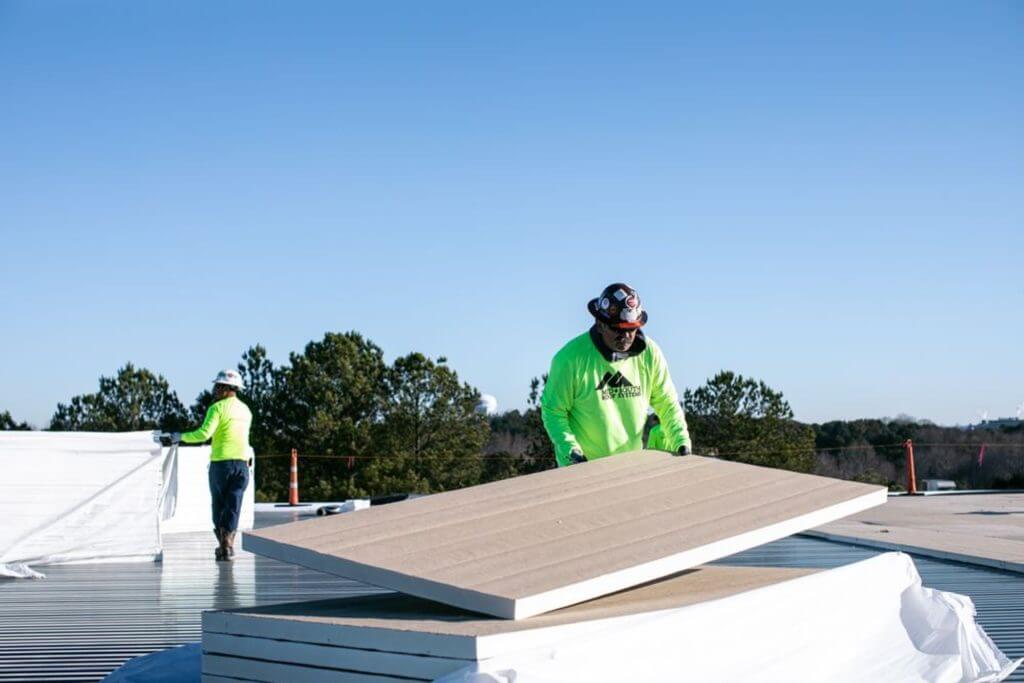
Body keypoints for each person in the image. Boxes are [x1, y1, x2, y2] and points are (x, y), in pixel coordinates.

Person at [541, 283, 691, 466]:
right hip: (583, 468)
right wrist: (570, 451)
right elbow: (553, 411)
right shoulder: (570, 359)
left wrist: (681, 441)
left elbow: (667, 403)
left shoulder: (650, 354)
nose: (626, 336)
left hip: (630, 465)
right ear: (600, 323)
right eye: (618, 329)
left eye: (632, 329)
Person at [171, 369, 252, 561]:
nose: (215, 390)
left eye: (218, 386)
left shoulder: (217, 408)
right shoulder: (246, 410)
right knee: (234, 504)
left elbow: (203, 434)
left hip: (221, 464)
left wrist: (180, 437)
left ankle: (224, 544)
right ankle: (228, 544)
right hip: (242, 464)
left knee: (219, 504)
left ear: (226, 388)